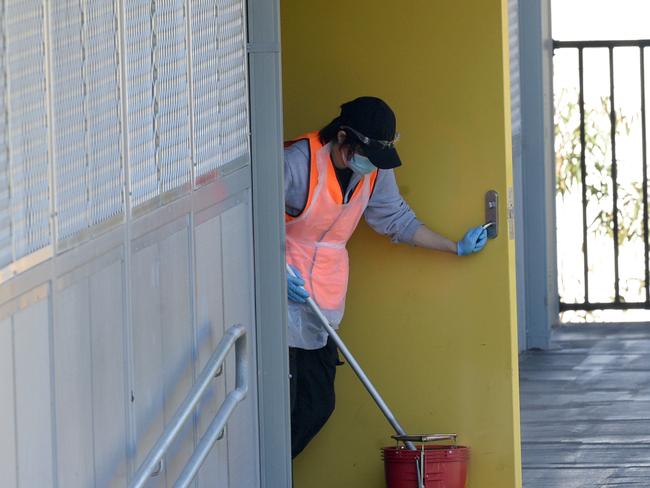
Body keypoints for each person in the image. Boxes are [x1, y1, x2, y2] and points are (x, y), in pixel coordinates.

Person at [284, 96, 488, 458]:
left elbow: (396, 219)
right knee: (280, 409)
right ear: (342, 137)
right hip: (279, 300)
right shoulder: (297, 163)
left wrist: (454, 247)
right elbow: (248, 219)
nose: (371, 167)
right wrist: (272, 272)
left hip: (322, 307)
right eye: (365, 156)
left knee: (315, 406)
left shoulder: (372, 165)